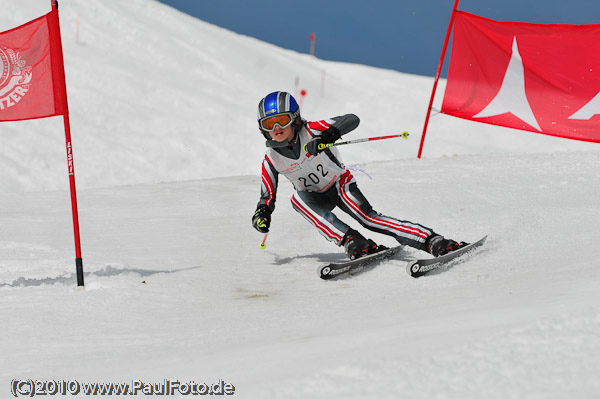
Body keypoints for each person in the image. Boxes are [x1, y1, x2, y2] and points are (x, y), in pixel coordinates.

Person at [252, 91, 466, 260]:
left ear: (295, 119)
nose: (277, 128)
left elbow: (351, 119)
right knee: (297, 199)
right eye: (269, 124)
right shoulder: (271, 159)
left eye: (282, 120)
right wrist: (262, 214)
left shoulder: (312, 130)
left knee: (368, 218)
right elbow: (266, 197)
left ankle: (432, 240)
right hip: (315, 198)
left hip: (339, 185)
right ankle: (352, 241)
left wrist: (328, 135)